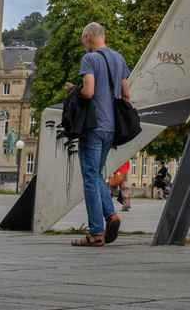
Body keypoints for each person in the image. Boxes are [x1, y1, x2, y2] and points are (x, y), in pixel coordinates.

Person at [66, 21, 130, 247]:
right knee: (96, 174)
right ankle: (111, 217)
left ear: (87, 37)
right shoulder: (118, 58)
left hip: (92, 127)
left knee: (90, 178)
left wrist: (72, 90)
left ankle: (96, 233)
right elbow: (126, 95)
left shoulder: (89, 59)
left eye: (83, 39)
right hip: (111, 128)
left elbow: (88, 91)